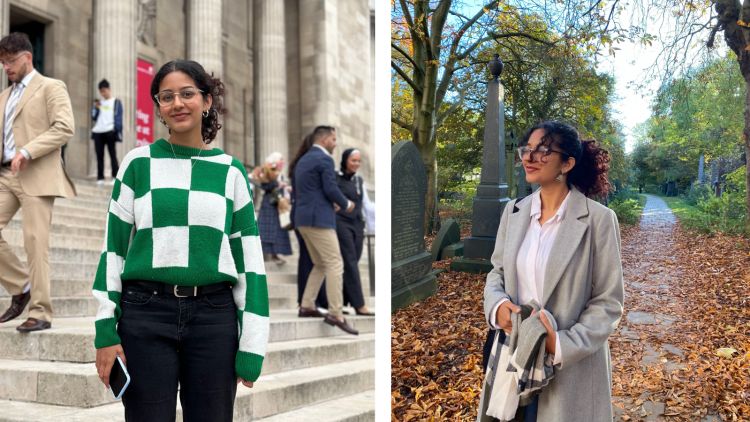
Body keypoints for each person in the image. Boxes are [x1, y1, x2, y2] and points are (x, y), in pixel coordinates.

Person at [92, 59, 269, 421]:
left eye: (187, 93)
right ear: (158, 106)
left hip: (213, 318)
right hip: (145, 313)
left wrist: (252, 343)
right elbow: (113, 251)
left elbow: (250, 262)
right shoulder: (137, 164)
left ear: (207, 102)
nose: (177, 103)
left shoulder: (232, 172)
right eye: (166, 96)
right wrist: (104, 331)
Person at [478, 120, 624, 421]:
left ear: (567, 162)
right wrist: (497, 308)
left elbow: (608, 302)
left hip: (568, 369)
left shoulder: (598, 220)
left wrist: (559, 344)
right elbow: (498, 272)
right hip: (513, 357)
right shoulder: (515, 212)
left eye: (543, 150)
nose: (529, 158)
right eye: (527, 149)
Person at [0, 32, 76, 332]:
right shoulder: (3, 97)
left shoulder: (51, 87)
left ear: (27, 57)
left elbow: (64, 127)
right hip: (6, 174)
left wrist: (29, 150)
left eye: (10, 61)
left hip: (37, 173)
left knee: (35, 243)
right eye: (2, 63)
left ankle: (41, 311)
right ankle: (21, 286)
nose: (6, 68)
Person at [291, 125, 358, 335]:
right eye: (334, 139)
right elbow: (330, 188)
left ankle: (307, 305)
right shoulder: (324, 159)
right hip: (318, 220)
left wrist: (330, 203)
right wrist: (346, 203)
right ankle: (336, 313)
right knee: (335, 263)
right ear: (326, 139)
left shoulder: (303, 159)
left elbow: (312, 190)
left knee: (320, 263)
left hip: (303, 218)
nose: (335, 143)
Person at [335, 148, 374, 316]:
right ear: (345, 160)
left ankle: (343, 301)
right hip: (341, 223)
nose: (356, 164)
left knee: (353, 261)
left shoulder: (359, 181)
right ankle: (359, 305)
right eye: (353, 160)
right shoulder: (335, 178)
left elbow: (366, 205)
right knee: (350, 261)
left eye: (358, 161)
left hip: (358, 225)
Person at [254, 152, 292, 265]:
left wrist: (284, 187)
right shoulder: (268, 170)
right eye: (281, 160)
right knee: (265, 231)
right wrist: (277, 184)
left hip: (278, 204)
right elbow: (264, 185)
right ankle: (263, 255)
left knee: (277, 231)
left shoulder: (279, 173)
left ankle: (275, 255)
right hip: (269, 204)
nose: (282, 162)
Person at [91, 78, 123, 185]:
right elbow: (93, 117)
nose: (103, 93)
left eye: (104, 91)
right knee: (99, 155)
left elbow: (119, 117)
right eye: (101, 92)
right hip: (98, 131)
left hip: (110, 131)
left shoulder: (116, 102)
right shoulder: (99, 103)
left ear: (109, 89)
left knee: (112, 154)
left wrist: (117, 130)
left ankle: (115, 177)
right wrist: (95, 108)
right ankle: (100, 178)